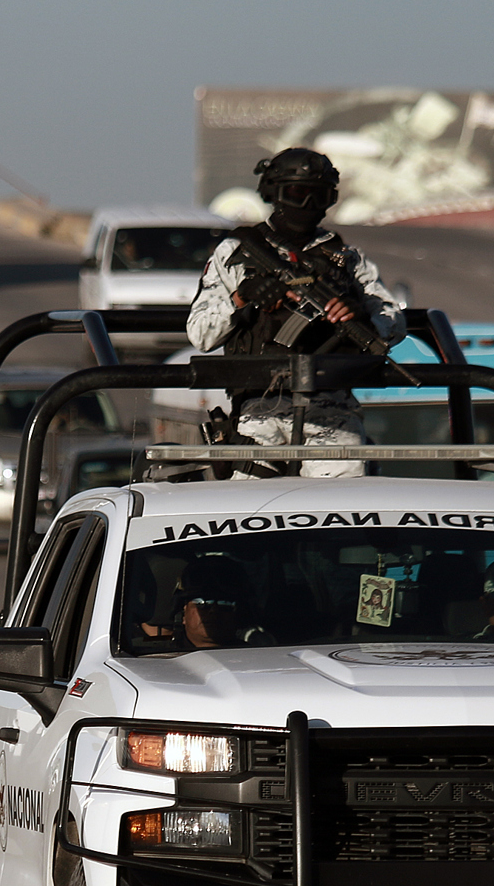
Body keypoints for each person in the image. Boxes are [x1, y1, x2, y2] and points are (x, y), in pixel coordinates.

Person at [186, 148, 405, 478]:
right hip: (260, 407)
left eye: (318, 196)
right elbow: (200, 333)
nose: (306, 205)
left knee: (341, 514)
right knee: (251, 513)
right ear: (273, 192)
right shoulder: (237, 252)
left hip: (330, 407)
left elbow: (392, 319)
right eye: (297, 193)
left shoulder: (347, 260)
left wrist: (359, 315)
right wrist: (242, 298)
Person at [139, 555, 272, 651]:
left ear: (240, 615)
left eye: (225, 604)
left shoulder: (259, 659)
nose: (213, 610)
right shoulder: (145, 656)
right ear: (182, 612)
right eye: (202, 602)